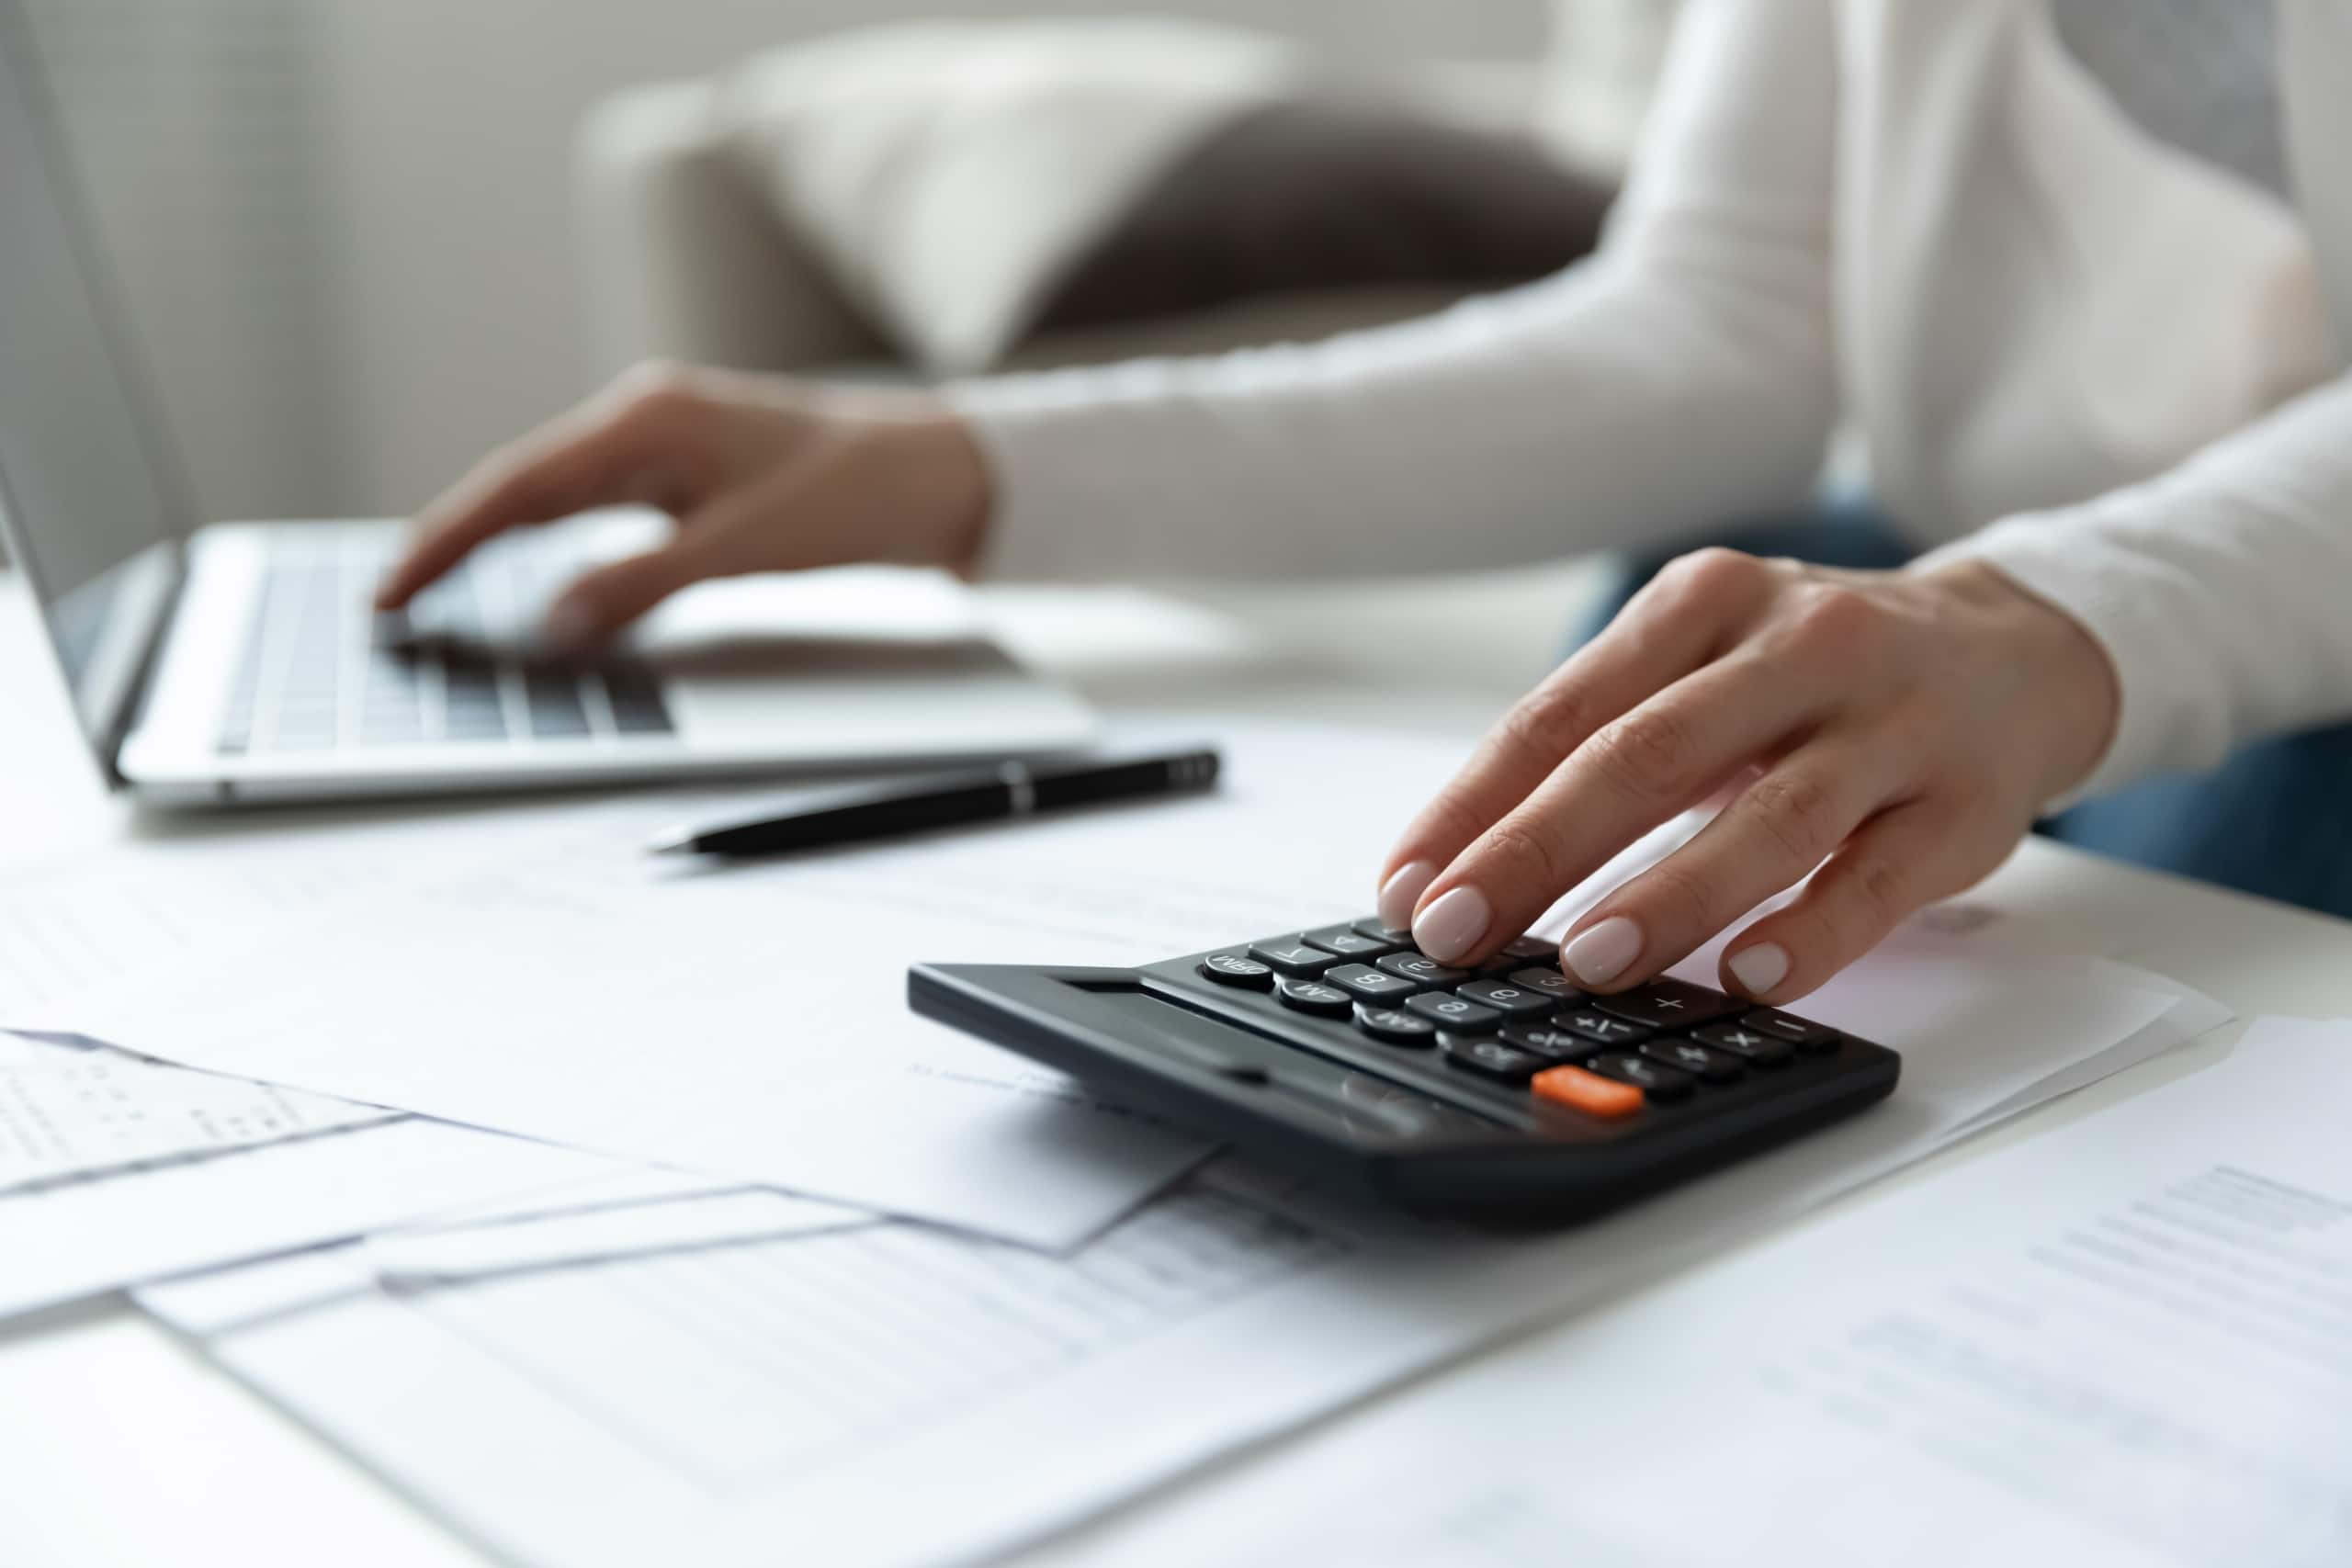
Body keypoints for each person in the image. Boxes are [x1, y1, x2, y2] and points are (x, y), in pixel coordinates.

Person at [378, 0, 2352, 1007]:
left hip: (2238, 673)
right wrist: (959, 464)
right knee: (1718, 634)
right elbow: (1718, 327)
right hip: (2016, 623)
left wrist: (2061, 620)